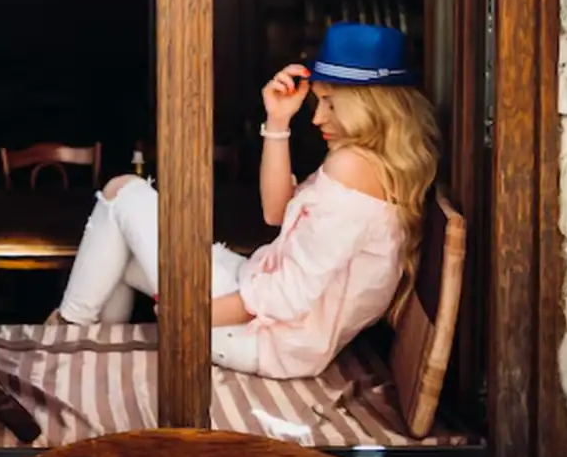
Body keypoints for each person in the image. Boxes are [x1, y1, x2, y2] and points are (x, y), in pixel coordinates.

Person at [46, 22, 440, 380]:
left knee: (121, 193)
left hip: (267, 340)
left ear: (370, 105)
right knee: (120, 252)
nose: (318, 118)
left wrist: (190, 318)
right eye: (319, 101)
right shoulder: (377, 166)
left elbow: (288, 294)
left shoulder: (353, 167)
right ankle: (81, 342)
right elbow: (275, 212)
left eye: (332, 103)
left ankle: (64, 336)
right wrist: (278, 121)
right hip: (269, 313)